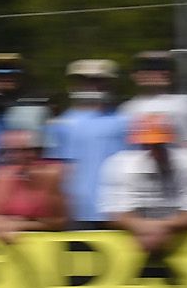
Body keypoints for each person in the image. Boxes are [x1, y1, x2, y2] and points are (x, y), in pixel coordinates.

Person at [98, 116, 187, 255]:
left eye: (160, 144)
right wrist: (146, 228)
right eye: (148, 145)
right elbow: (116, 214)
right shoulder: (120, 164)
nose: (154, 150)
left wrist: (160, 228)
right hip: (137, 245)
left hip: (183, 245)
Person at [45, 61, 128, 223]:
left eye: (98, 79)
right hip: (76, 212)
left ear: (110, 83)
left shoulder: (125, 120)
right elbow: (55, 173)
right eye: (84, 80)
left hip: (119, 211)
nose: (91, 85)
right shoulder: (59, 124)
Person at [0, 128, 65, 240]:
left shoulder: (50, 175)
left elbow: (58, 221)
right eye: (10, 151)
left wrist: (19, 225)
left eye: (26, 150)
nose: (18, 156)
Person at [118, 51, 187, 146]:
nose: (156, 74)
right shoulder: (128, 109)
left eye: (162, 68)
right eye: (147, 69)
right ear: (135, 75)